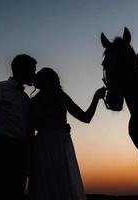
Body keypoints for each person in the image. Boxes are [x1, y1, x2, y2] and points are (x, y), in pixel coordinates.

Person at [29, 67, 106, 200]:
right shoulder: (35, 101)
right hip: (48, 144)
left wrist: (96, 98)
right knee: (51, 180)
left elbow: (85, 117)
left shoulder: (58, 97)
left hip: (57, 143)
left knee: (58, 180)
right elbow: (31, 125)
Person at [0, 54, 37, 199]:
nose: (34, 74)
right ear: (22, 69)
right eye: (33, 70)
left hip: (20, 151)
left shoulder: (25, 99)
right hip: (1, 147)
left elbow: (29, 129)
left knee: (17, 191)